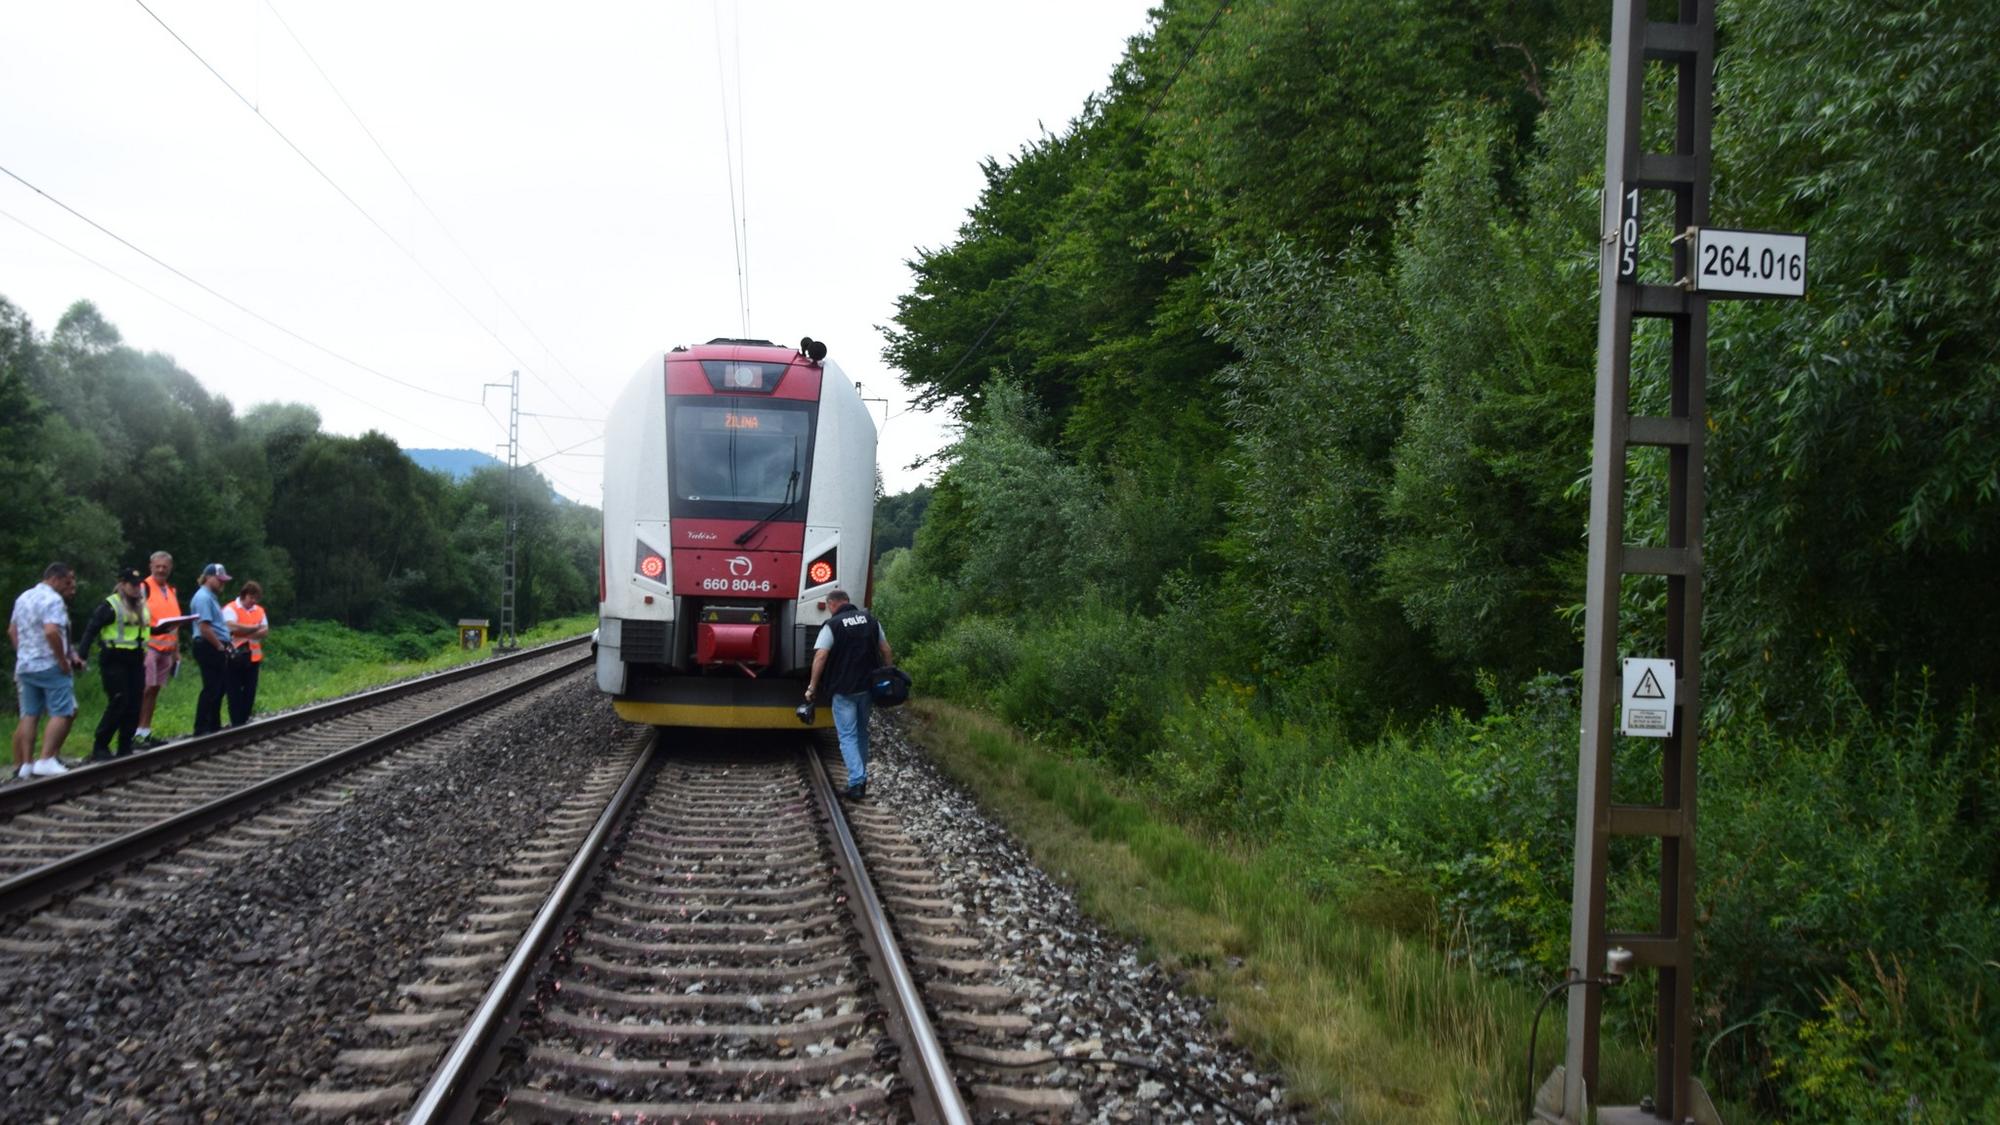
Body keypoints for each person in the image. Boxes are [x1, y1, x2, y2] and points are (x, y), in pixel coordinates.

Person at [802, 588, 893, 800]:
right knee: (861, 733)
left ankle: (856, 782)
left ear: (832, 604)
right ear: (848, 601)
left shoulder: (832, 625)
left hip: (843, 690)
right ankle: (861, 777)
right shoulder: (870, 620)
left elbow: (821, 656)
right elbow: (886, 650)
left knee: (847, 736)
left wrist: (812, 687)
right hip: (867, 688)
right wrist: (888, 675)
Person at [9, 563, 84, 779]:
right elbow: (51, 631)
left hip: (25, 665)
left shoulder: (24, 597)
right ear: (55, 579)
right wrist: (62, 660)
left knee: (29, 715)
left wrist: (23, 652)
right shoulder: (53, 600)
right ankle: (46, 759)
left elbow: (12, 630)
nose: (68, 585)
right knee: (63, 711)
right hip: (49, 664)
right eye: (66, 581)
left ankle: (25, 765)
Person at [76, 567, 155, 760]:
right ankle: (101, 745)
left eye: (138, 585)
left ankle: (125, 745)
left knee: (135, 703)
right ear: (122, 584)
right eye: (132, 585)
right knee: (119, 700)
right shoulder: (111, 605)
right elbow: (91, 629)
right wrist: (82, 655)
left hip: (136, 659)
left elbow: (143, 631)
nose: (136, 588)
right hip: (114, 659)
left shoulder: (141, 605)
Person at [135, 550, 183, 747]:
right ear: (151, 566)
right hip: (149, 647)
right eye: (158, 566)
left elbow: (175, 623)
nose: (161, 570)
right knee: (145, 689)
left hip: (166, 649)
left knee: (154, 690)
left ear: (170, 568)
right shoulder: (143, 587)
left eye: (165, 567)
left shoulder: (171, 591)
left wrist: (176, 651)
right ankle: (135, 732)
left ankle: (145, 730)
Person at [187, 562, 234, 736]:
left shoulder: (211, 597)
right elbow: (205, 627)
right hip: (208, 646)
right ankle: (201, 727)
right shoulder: (203, 598)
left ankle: (213, 725)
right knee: (211, 687)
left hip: (214, 645)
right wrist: (220, 646)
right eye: (219, 579)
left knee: (219, 687)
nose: (223, 583)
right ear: (208, 577)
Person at [222, 580, 269, 726]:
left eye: (256, 599)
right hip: (235, 657)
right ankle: (237, 722)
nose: (253, 601)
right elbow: (230, 627)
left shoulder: (259, 610)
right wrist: (254, 628)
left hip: (253, 657)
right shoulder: (230, 608)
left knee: (250, 692)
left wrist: (245, 631)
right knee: (234, 691)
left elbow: (265, 630)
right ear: (244, 595)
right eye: (251, 598)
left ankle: (244, 719)